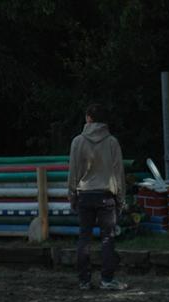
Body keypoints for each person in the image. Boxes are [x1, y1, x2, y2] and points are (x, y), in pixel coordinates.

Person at [67, 103, 127, 291]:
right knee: (107, 238)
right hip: (106, 196)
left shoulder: (78, 141)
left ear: (89, 119)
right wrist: (121, 199)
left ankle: (84, 280)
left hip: (84, 195)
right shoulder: (111, 142)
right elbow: (118, 173)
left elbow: (73, 172)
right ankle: (107, 279)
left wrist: (71, 195)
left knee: (84, 238)